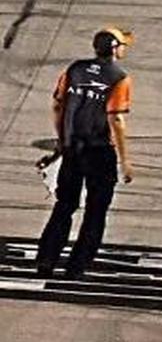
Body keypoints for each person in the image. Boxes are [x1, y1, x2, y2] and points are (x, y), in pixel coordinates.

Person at [34, 27, 135, 279]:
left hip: (72, 149)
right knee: (96, 210)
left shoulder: (74, 69)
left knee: (65, 204)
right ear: (114, 48)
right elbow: (116, 120)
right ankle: (76, 266)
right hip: (100, 152)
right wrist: (125, 160)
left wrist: (61, 142)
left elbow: (58, 106)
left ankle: (46, 258)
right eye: (123, 45)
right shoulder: (119, 77)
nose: (124, 49)